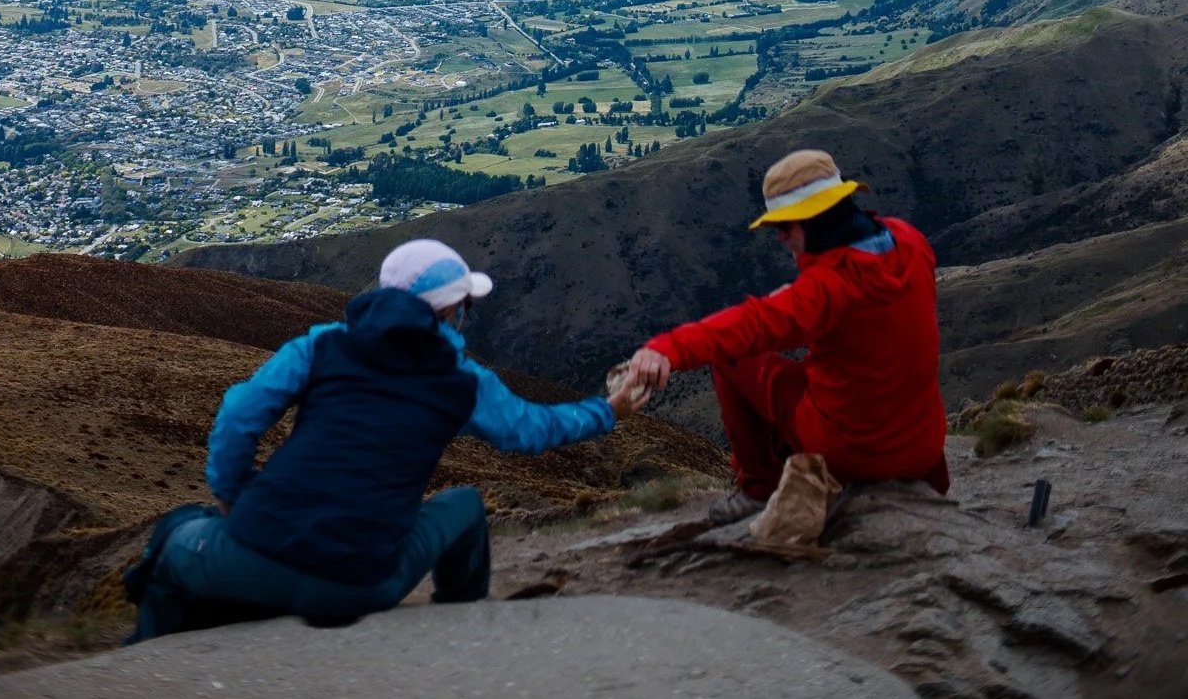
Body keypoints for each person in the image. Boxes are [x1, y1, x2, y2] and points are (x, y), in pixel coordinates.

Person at [130, 239, 648, 638]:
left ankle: (150, 652)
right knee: (464, 506)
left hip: (252, 553)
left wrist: (233, 494)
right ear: (449, 311)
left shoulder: (322, 346)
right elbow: (532, 431)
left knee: (180, 533)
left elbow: (238, 414)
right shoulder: (462, 381)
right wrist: (610, 410)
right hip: (363, 583)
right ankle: (456, 629)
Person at [626, 149, 948, 523]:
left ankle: (758, 489)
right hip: (924, 448)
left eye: (785, 226)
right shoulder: (911, 241)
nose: (779, 238)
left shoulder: (826, 289)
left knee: (732, 360)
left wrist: (664, 349)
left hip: (853, 454)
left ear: (815, 221)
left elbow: (749, 326)